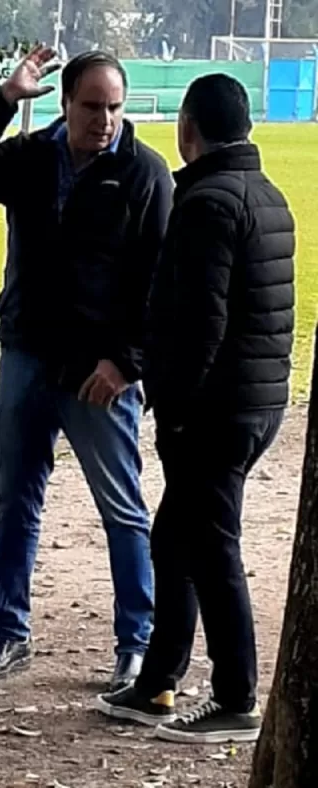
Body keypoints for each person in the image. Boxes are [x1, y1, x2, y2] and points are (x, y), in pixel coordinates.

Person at [0, 47, 174, 691]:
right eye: (93, 106)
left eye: (115, 107)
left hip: (100, 374)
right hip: (26, 356)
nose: (106, 120)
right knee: (15, 503)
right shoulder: (31, 159)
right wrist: (4, 98)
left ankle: (136, 642)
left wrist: (126, 363)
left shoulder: (145, 175)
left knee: (121, 508)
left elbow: (161, 282)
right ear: (65, 103)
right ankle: (8, 632)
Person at [94, 73, 295, 744]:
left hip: (213, 408)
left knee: (210, 544)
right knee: (175, 536)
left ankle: (236, 694)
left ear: (188, 128)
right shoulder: (268, 197)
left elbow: (198, 321)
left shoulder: (206, 203)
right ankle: (157, 682)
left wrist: (174, 406)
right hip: (256, 400)